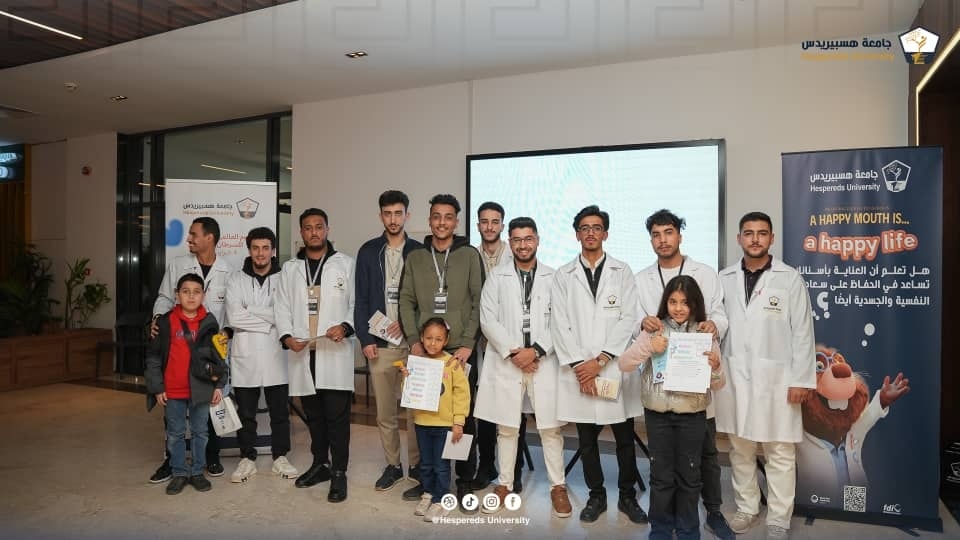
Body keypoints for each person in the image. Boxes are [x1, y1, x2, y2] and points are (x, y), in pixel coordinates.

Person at [714, 212, 816, 540]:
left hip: (779, 379)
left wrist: (801, 380)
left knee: (780, 452)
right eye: (748, 233)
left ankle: (779, 519)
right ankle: (747, 508)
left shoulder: (789, 278)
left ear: (772, 238)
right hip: (735, 376)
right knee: (740, 448)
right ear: (739, 239)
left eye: (762, 233)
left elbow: (803, 332)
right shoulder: (724, 278)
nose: (755, 239)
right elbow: (717, 324)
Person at [634, 209, 733, 539]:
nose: (663, 240)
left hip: (694, 387)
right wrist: (643, 322)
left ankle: (710, 514)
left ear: (679, 235)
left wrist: (713, 325)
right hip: (660, 392)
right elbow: (634, 321)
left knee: (703, 458)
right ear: (651, 239)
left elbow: (718, 312)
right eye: (656, 234)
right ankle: (665, 524)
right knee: (663, 468)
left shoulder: (704, 273)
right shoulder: (641, 278)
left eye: (669, 233)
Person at [551, 205, 647, 524]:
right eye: (584, 228)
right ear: (577, 234)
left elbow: (628, 318)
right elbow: (559, 323)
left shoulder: (622, 271)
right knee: (587, 441)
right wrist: (582, 366)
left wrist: (602, 359)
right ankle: (596, 496)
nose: (590, 232)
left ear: (605, 233)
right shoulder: (563, 275)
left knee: (624, 440)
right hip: (581, 372)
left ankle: (628, 496)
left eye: (596, 227)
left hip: (612, 369)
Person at [474, 217, 572, 517]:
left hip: (543, 362)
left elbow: (562, 320)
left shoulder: (554, 277)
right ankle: (504, 485)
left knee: (550, 429)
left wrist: (536, 351)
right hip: (509, 362)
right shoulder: (497, 277)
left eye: (528, 239)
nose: (523, 245)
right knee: (506, 427)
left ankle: (558, 487)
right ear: (510, 242)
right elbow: (487, 319)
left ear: (538, 240)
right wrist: (514, 352)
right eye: (516, 240)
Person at [620, 275, 725, 540]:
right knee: (661, 476)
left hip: (692, 416)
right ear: (665, 302)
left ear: (695, 304)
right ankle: (661, 528)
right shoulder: (653, 330)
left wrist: (715, 367)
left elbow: (719, 383)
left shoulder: (704, 333)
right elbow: (625, 364)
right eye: (673, 301)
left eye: (685, 303)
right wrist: (648, 347)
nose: (678, 308)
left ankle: (689, 530)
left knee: (690, 475)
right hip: (658, 416)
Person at [398, 193, 483, 508]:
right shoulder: (416, 257)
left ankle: (464, 480)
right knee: (425, 417)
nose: (442, 222)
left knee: (461, 417)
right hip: (426, 352)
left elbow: (479, 300)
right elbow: (405, 300)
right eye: (436, 216)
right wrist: (414, 341)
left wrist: (468, 342)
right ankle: (429, 481)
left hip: (459, 351)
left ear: (456, 222)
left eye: (448, 217)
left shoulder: (469, 255)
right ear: (430, 220)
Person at [275, 208, 356, 503]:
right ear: (301, 232)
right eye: (308, 228)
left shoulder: (345, 264)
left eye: (319, 227)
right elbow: (281, 305)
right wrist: (286, 336)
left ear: (327, 229)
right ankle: (320, 464)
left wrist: (345, 326)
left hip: (333, 350)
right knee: (315, 416)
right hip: (303, 351)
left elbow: (356, 303)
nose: (314, 232)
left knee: (337, 418)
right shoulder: (290, 269)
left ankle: (339, 472)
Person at [149, 217, 235, 482]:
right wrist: (157, 320)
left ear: (210, 238)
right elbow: (164, 297)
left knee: (209, 409)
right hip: (178, 346)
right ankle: (171, 461)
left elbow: (233, 310)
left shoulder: (228, 271)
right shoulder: (178, 265)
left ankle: (211, 457)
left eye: (194, 234)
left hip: (211, 352)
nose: (189, 238)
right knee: (174, 417)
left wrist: (226, 332)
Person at [354, 190, 425, 500]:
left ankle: (418, 466)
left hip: (414, 345)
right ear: (380, 215)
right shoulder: (369, 251)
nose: (393, 219)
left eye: (398, 213)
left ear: (407, 215)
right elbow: (361, 298)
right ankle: (393, 465)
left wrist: (412, 329)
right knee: (385, 412)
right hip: (380, 344)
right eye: (388, 214)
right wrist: (365, 339)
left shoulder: (419, 251)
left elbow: (426, 300)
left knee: (416, 411)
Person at [224, 227, 298, 483]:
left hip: (276, 355)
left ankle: (280, 457)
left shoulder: (285, 278)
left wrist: (252, 310)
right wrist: (271, 321)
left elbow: (288, 314)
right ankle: (247, 458)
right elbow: (234, 317)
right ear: (249, 250)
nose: (260, 253)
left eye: (265, 248)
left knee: (279, 413)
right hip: (245, 357)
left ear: (273, 251)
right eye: (255, 248)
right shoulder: (236, 279)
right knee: (246, 414)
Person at [145, 273, 226, 495]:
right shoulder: (165, 322)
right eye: (186, 291)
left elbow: (220, 356)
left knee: (201, 432)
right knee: (175, 434)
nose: (191, 296)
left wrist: (219, 385)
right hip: (172, 391)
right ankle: (179, 472)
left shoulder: (210, 322)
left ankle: (197, 471)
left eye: (196, 292)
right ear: (177, 295)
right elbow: (153, 357)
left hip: (201, 389)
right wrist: (158, 387)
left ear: (204, 295)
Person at [400, 318, 470, 522]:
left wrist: (458, 422)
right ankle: (429, 493)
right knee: (426, 464)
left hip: (444, 425)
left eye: (438, 339)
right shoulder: (417, 363)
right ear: (421, 338)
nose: (433, 343)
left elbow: (462, 395)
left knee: (441, 465)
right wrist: (407, 377)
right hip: (422, 423)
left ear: (446, 341)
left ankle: (442, 499)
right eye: (429, 338)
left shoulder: (452, 364)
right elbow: (409, 394)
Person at [472, 201, 513, 491]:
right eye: (484, 222)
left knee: (512, 407)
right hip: (479, 344)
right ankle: (486, 465)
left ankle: (514, 470)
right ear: (478, 225)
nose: (489, 227)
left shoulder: (516, 254)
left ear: (502, 225)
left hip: (510, 344)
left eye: (495, 221)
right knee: (483, 409)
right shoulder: (469, 256)